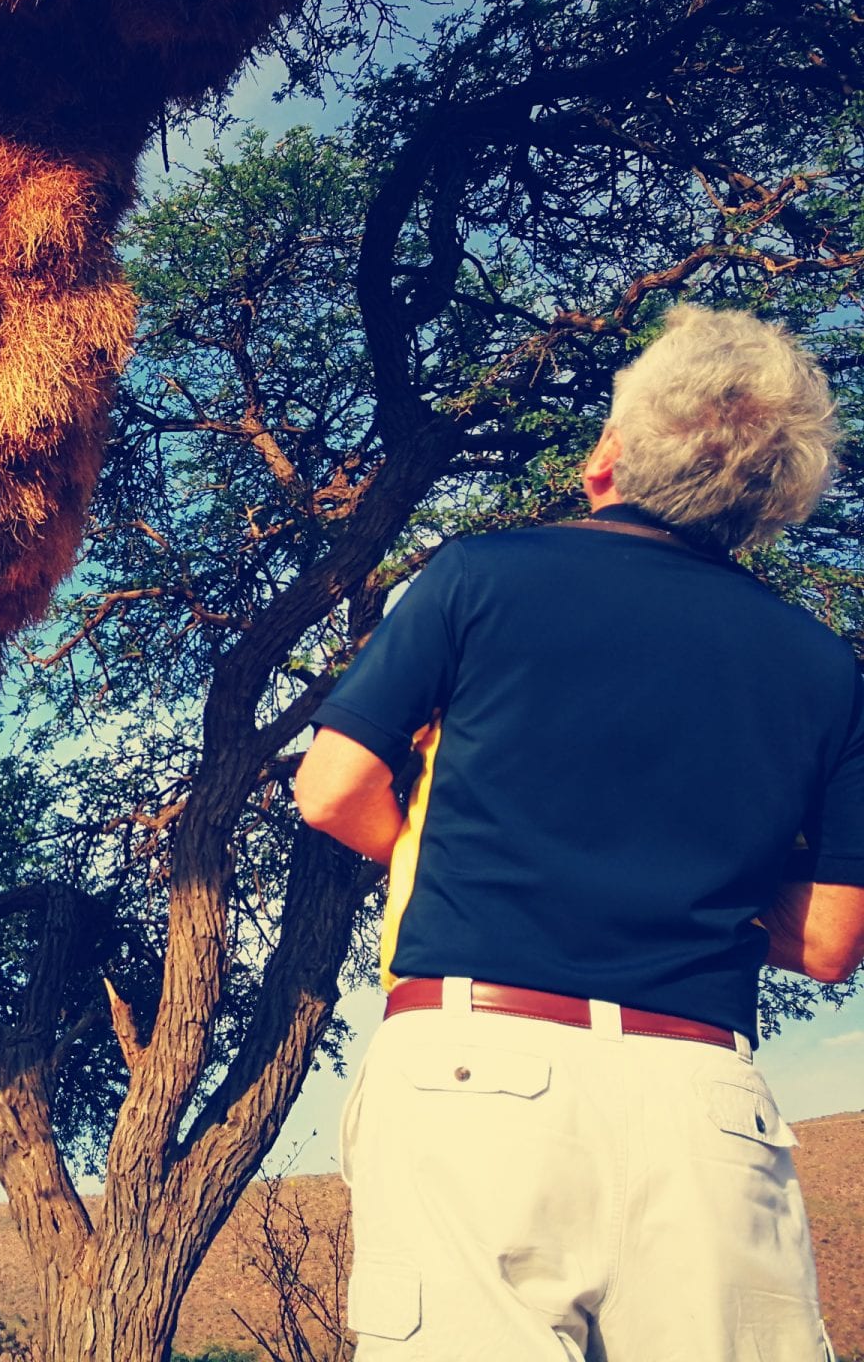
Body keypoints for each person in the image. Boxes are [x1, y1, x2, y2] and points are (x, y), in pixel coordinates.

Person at [296, 304, 864, 1360]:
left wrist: (453, 849)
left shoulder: (478, 576)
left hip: (475, 1068)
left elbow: (331, 789)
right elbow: (831, 942)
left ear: (612, 455)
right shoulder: (828, 670)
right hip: (703, 1096)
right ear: (767, 508)